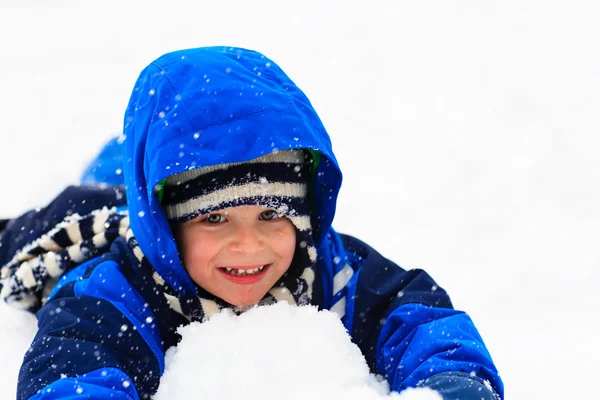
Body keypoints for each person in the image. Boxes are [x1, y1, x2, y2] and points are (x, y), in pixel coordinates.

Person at [1, 46, 503, 399]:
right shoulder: (121, 291)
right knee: (70, 207)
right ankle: (129, 165)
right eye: (215, 218)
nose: (248, 244)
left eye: (271, 213)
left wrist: (452, 385)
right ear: (167, 228)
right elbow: (74, 358)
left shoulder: (330, 268)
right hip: (96, 217)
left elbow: (416, 316)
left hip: (152, 191)